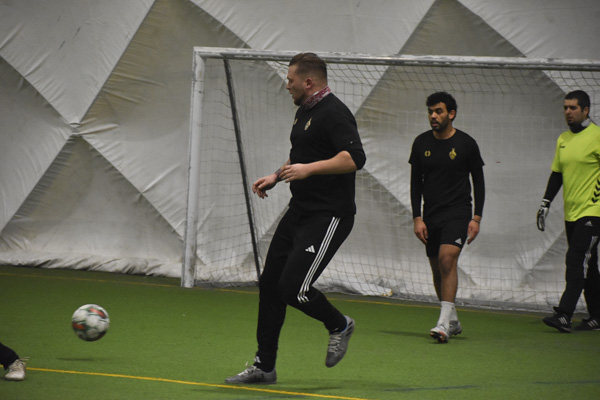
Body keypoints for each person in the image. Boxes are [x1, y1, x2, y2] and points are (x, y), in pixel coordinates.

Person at [225, 53, 366, 384]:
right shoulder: (304, 111)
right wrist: (277, 175)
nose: (286, 85)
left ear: (308, 81)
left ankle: (339, 324)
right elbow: (302, 155)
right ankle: (264, 366)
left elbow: (354, 158)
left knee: (293, 289)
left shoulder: (334, 112)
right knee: (270, 284)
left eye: (290, 80)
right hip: (299, 211)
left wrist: (308, 170)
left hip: (329, 216)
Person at [409, 91, 485, 343]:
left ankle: (442, 323)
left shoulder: (466, 144)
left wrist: (476, 218)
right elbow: (415, 184)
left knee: (446, 259)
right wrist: (417, 218)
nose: (433, 116)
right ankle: (452, 320)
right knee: (437, 269)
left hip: (458, 212)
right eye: (430, 111)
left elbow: (479, 182)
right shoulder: (420, 143)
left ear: (451, 114)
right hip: (431, 214)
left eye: (438, 111)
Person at [537, 90, 600, 332]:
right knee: (588, 266)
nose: (568, 112)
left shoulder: (597, 136)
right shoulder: (563, 139)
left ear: (586, 110)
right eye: (565, 108)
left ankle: (564, 314)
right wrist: (545, 203)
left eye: (573, 108)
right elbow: (557, 174)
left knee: (575, 259)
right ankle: (598, 315)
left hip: (593, 212)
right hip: (571, 213)